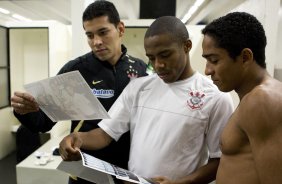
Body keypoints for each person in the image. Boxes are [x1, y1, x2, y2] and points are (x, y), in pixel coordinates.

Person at [59, 16, 234, 184]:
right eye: (151, 58)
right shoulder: (138, 88)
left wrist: (181, 183)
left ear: (187, 46)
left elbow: (220, 160)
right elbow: (105, 134)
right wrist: (77, 138)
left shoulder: (216, 97)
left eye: (165, 55)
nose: (158, 65)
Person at [10, 1, 147, 183]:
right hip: (84, 170)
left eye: (103, 32)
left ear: (120, 29)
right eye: (89, 35)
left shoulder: (141, 70)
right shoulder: (75, 71)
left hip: (127, 172)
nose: (96, 42)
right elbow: (43, 122)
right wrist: (25, 111)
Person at [201, 12, 282, 184]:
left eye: (214, 60)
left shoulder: (261, 100)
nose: (207, 71)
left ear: (245, 57)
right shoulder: (252, 97)